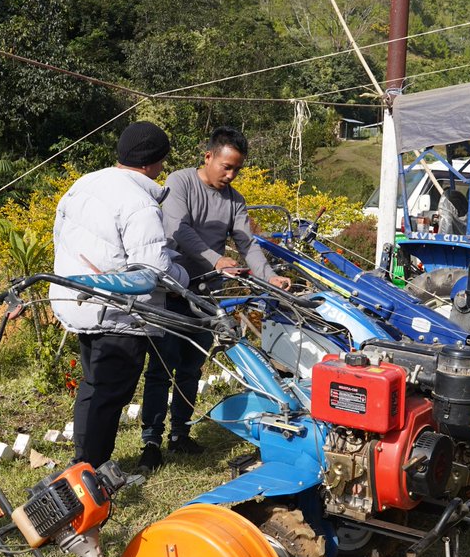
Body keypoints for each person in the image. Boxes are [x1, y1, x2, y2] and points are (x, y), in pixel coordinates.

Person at [137, 126, 291, 472]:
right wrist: (217, 259)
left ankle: (180, 433)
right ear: (208, 156)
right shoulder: (180, 182)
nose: (231, 175)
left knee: (191, 368)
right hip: (171, 292)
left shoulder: (234, 200)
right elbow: (179, 231)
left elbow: (247, 243)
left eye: (237, 169)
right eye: (226, 166)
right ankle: (151, 441)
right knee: (161, 369)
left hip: (207, 297)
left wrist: (269, 276)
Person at [50, 121, 189, 470]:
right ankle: (90, 471)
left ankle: (83, 462)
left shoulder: (84, 184)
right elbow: (153, 271)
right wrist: (183, 274)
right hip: (117, 312)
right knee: (110, 393)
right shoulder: (139, 202)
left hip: (78, 300)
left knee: (94, 385)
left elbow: (62, 237)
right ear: (153, 161)